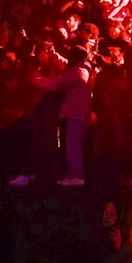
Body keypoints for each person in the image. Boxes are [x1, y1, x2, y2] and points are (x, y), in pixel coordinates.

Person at [33, 45, 94, 186]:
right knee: (74, 144)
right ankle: (75, 174)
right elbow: (65, 65)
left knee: (73, 145)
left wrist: (36, 79)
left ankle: (77, 176)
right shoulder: (84, 69)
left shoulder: (76, 72)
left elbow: (54, 84)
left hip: (75, 113)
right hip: (80, 112)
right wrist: (54, 54)